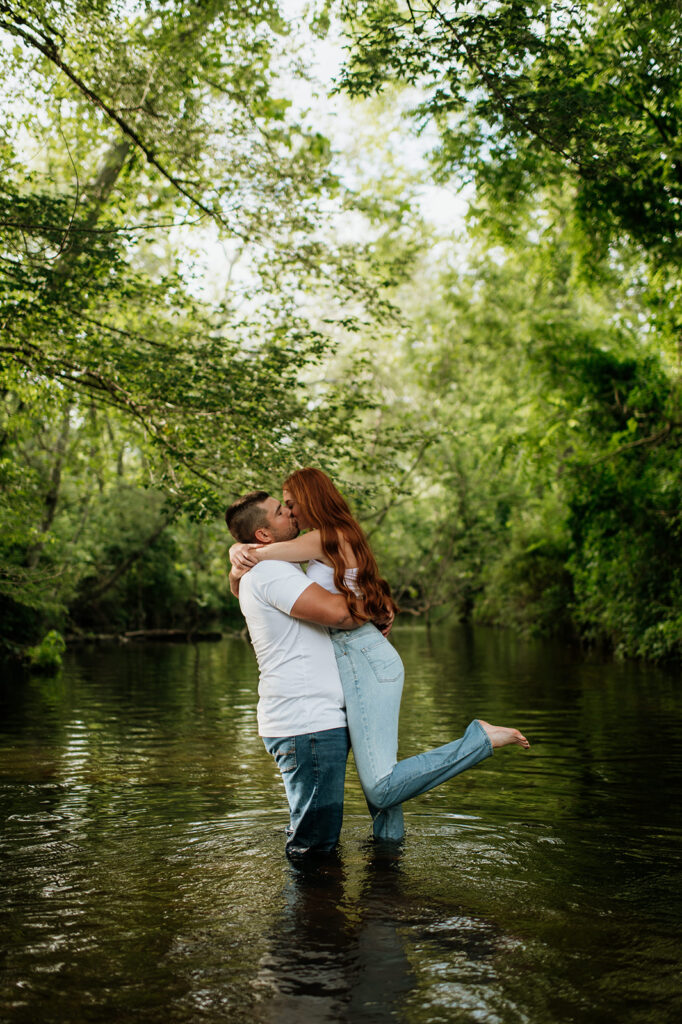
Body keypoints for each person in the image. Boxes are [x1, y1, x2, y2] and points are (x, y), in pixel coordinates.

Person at [229, 469, 530, 843]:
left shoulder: (325, 536)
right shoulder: (326, 540)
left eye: (290, 504)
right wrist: (238, 560)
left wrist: (239, 552)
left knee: (381, 786)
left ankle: (478, 740)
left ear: (309, 499)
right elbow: (261, 584)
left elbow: (263, 557)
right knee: (381, 780)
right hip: (357, 658)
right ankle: (388, 861)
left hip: (364, 658)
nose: (290, 512)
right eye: (282, 509)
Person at [225, 490, 361, 858]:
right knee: (314, 849)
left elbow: (238, 585)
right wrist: (377, 606)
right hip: (307, 724)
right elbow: (341, 614)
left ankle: (312, 911)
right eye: (281, 512)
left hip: (307, 722)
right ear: (264, 535)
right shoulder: (271, 571)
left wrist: (236, 565)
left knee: (313, 837)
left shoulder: (276, 567)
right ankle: (309, 915)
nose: (291, 514)